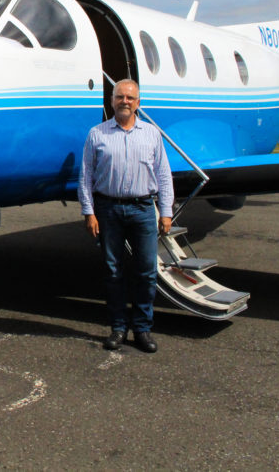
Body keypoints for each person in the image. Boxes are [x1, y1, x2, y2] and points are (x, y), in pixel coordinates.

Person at [79, 79, 174, 353]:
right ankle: (118, 327)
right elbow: (85, 177)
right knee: (113, 271)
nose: (125, 101)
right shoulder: (97, 134)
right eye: (120, 97)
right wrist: (89, 212)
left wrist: (165, 212)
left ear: (138, 103)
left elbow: (164, 176)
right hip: (108, 209)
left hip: (143, 209)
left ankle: (143, 329)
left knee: (147, 271)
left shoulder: (152, 134)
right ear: (111, 101)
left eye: (130, 98)